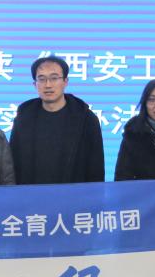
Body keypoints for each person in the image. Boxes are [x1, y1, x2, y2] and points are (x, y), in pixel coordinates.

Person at [10, 55, 105, 184]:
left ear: (65, 81)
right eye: (41, 79)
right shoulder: (24, 118)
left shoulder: (86, 119)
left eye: (54, 78)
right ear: (35, 84)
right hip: (31, 194)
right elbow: (13, 162)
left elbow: (96, 168)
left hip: (75, 194)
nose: (48, 85)